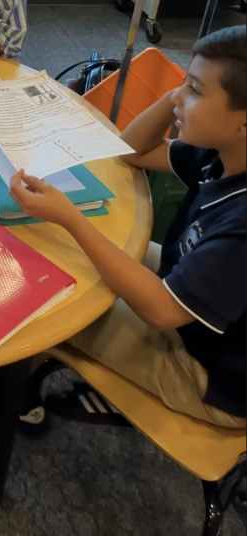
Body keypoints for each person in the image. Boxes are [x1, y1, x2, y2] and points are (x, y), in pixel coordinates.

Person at [14, 25, 246, 429]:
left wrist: (71, 217)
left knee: (51, 305)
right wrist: (177, 97)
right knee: (65, 253)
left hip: (206, 376)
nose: (179, 96)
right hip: (184, 293)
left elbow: (161, 311)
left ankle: (14, 398)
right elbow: (131, 151)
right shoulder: (225, 154)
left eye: (195, 91)